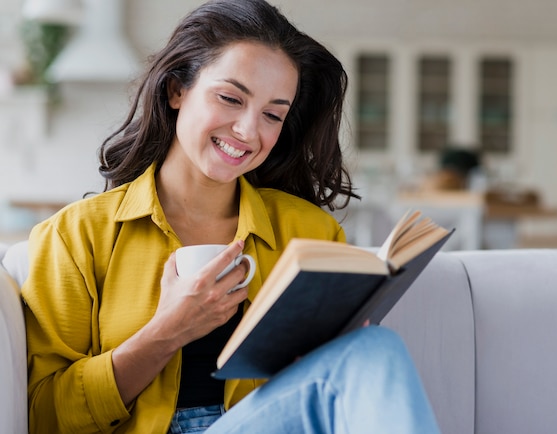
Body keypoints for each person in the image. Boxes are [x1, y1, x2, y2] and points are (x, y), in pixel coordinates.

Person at [21, 1, 441, 433]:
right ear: (176, 90)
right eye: (230, 98)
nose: (247, 131)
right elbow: (42, 415)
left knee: (373, 346)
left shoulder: (311, 232)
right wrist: (166, 332)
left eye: (272, 115)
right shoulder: (76, 236)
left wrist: (333, 357)